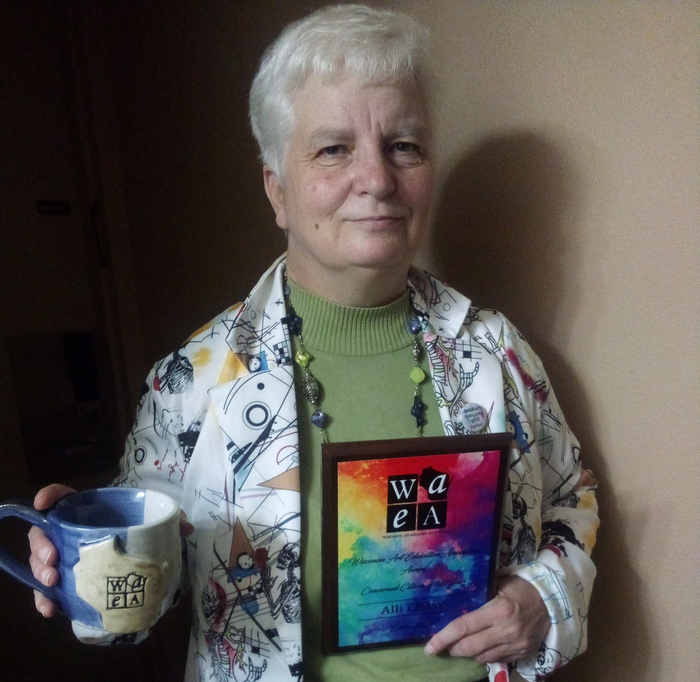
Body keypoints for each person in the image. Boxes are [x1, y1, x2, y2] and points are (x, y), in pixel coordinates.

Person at [28, 5, 598, 682]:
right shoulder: (195, 377)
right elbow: (151, 584)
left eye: (404, 146)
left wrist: (545, 594)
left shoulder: (498, 352)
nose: (378, 180)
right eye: (334, 149)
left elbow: (572, 499)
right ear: (278, 190)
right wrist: (87, 561)